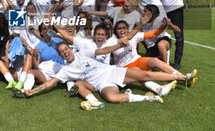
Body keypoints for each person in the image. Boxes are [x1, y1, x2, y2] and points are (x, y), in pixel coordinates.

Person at [16, 42, 197, 110]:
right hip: (100, 83)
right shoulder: (64, 70)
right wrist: (33, 91)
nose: (65, 52)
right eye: (61, 52)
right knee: (111, 98)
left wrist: (118, 45)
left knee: (145, 74)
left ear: (70, 49)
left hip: (111, 71)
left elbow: (103, 50)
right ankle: (147, 98)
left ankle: (182, 78)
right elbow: (51, 83)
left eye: (66, 49)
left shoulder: (83, 53)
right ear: (61, 55)